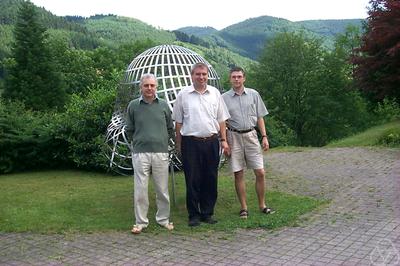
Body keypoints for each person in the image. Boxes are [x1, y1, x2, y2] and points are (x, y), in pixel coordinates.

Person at [172, 62, 230, 227]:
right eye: (198, 74)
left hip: (211, 141)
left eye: (204, 74)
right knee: (192, 179)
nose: (201, 77)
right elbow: (178, 122)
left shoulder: (215, 93)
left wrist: (223, 140)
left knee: (210, 178)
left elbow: (221, 119)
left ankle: (207, 213)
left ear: (207, 75)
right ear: (192, 75)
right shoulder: (183, 95)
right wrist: (179, 143)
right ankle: (194, 215)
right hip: (190, 143)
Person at [222, 66, 275, 219]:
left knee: (260, 172)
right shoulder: (224, 98)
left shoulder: (253, 94)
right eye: (234, 77)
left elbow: (260, 117)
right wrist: (224, 140)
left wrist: (264, 136)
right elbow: (222, 121)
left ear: (244, 78)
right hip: (233, 137)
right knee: (238, 173)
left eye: (239, 76)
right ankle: (244, 208)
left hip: (251, 135)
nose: (237, 79)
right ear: (230, 79)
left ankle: (262, 205)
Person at [125, 73, 174, 234]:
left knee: (162, 189)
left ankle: (163, 220)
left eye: (152, 85)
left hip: (161, 152)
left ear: (156, 87)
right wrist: (139, 142)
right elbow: (129, 129)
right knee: (140, 189)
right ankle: (140, 222)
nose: (149, 88)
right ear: (141, 87)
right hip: (140, 153)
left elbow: (169, 128)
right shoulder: (133, 105)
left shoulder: (164, 105)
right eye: (146, 85)